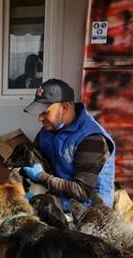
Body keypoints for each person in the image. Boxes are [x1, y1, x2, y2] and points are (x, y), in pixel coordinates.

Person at [20, 79, 116, 211]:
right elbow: (35, 160)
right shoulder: (48, 131)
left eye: (45, 112)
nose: (39, 118)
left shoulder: (92, 140)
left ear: (64, 108)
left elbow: (82, 192)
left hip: (88, 215)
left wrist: (42, 177)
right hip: (56, 202)